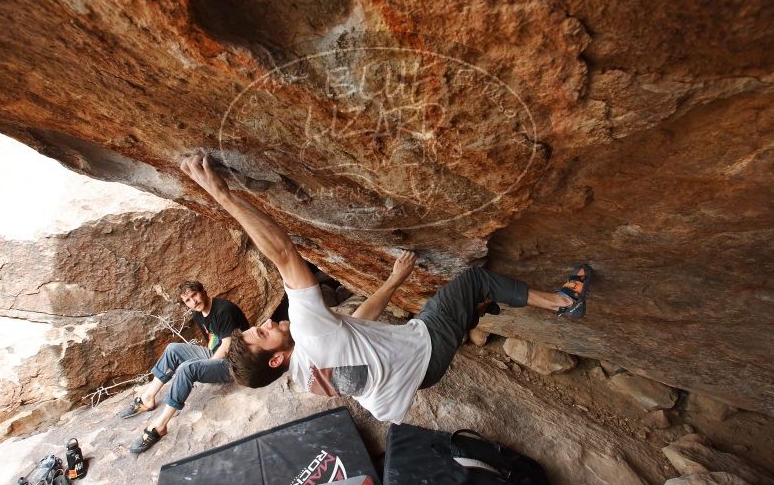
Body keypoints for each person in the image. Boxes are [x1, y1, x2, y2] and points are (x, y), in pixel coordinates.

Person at [180, 154, 591, 424]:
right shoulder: (308, 333)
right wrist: (221, 193)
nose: (268, 322)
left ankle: (479, 309)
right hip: (422, 352)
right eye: (263, 333)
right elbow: (285, 253)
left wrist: (395, 280)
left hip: (412, 381)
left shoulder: (304, 377)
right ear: (276, 360)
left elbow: (357, 325)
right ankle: (563, 303)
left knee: (445, 308)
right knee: (472, 280)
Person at [121, 280, 249, 453]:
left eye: (194, 295)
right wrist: (204, 363)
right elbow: (213, 343)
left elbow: (227, 346)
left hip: (236, 362)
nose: (193, 302)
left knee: (187, 368)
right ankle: (148, 398)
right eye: (187, 300)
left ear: (203, 291)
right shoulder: (198, 314)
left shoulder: (223, 309)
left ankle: (160, 426)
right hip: (216, 356)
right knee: (172, 349)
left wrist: (203, 367)